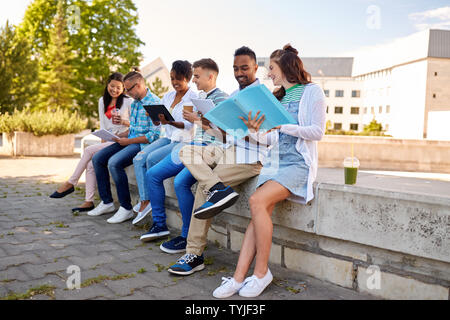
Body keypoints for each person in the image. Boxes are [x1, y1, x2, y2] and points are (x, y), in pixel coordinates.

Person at [212, 44, 326, 298]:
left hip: (298, 165)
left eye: (271, 69)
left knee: (256, 200)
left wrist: (284, 125)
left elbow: (317, 132)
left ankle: (262, 272)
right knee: (258, 212)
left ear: (285, 66)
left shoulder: (311, 91)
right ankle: (239, 277)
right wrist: (254, 130)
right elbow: (271, 141)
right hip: (275, 164)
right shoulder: (279, 97)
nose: (269, 75)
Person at [168, 46, 277, 276]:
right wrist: (209, 125)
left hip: (249, 156)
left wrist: (249, 131)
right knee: (185, 152)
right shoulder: (234, 96)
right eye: (236, 68)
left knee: (201, 189)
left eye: (245, 68)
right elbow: (227, 135)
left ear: (256, 67)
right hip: (226, 148)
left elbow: (271, 140)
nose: (239, 72)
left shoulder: (265, 97)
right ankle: (217, 188)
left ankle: (194, 254)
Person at [140, 58, 229, 253]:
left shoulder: (222, 98)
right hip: (191, 147)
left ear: (210, 76)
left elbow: (225, 134)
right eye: (194, 76)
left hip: (207, 150)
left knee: (180, 182)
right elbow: (199, 129)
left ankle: (186, 235)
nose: (194, 80)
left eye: (196, 76)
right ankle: (160, 225)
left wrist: (196, 120)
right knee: (152, 174)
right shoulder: (201, 97)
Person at [49, 73, 131, 213]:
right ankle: (89, 201)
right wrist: (103, 140)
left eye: (118, 87)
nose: (115, 90)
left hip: (122, 140)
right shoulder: (102, 101)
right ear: (107, 85)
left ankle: (71, 182)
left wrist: (123, 122)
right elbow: (103, 126)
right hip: (108, 140)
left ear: (123, 88)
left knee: (88, 151)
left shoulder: (128, 102)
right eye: (112, 86)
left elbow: (134, 126)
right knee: (90, 163)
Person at [87, 70, 161, 223]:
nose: (126, 93)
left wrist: (128, 141)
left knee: (114, 163)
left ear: (139, 85)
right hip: (129, 140)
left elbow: (153, 136)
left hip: (141, 144)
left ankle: (126, 208)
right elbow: (132, 129)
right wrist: (120, 136)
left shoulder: (154, 102)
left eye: (128, 89)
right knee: (98, 158)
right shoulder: (134, 104)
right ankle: (107, 202)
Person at [131, 60, 198, 226]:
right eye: (172, 78)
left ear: (188, 78)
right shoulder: (167, 96)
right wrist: (155, 119)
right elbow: (160, 123)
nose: (175, 82)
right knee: (141, 157)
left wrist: (169, 121)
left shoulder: (192, 97)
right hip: (167, 137)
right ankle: (147, 200)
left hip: (183, 140)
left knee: (152, 160)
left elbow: (188, 125)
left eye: (179, 79)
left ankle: (155, 212)